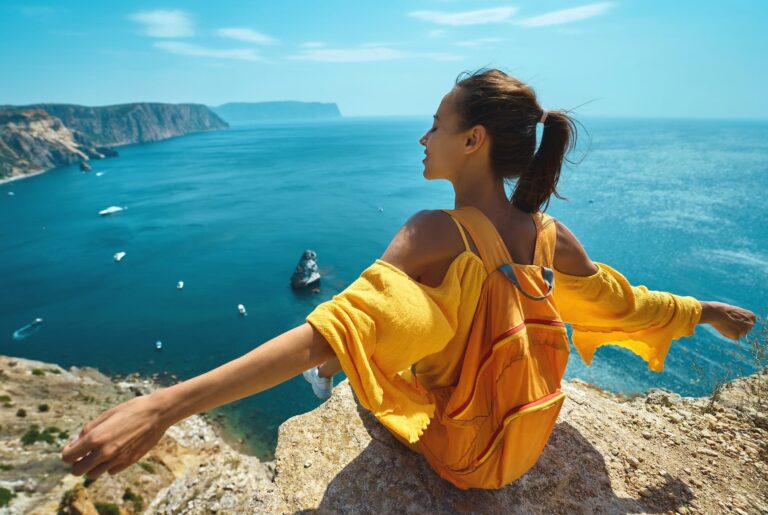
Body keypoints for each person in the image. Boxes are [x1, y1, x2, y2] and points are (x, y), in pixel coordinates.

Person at [61, 68, 756, 482]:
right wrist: (702, 310)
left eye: (435, 125)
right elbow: (622, 304)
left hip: (466, 457)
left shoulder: (432, 232)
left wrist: (164, 406)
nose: (423, 138)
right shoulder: (551, 236)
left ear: (473, 140)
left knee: (357, 352)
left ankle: (353, 378)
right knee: (379, 331)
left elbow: (324, 335)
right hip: (525, 440)